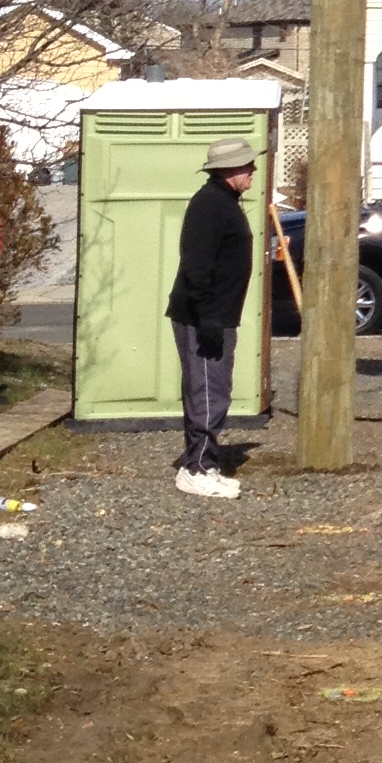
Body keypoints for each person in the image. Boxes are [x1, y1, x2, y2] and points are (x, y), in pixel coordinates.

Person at [167, 136, 257, 499]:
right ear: (230, 170)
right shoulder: (210, 205)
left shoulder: (225, 202)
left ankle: (207, 462)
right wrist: (208, 318)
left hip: (217, 315)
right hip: (203, 317)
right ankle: (196, 468)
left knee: (215, 389)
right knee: (207, 392)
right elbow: (196, 265)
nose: (253, 170)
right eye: (247, 165)